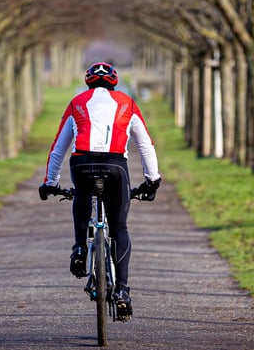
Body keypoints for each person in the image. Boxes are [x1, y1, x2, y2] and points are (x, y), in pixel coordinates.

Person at [39, 61, 162, 321]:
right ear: (114, 82)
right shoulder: (127, 103)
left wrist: (50, 182)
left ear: (88, 82)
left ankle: (79, 249)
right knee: (119, 229)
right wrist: (152, 180)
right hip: (115, 166)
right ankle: (123, 292)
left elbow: (59, 147)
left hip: (82, 164)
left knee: (81, 197)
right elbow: (146, 145)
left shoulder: (77, 103)